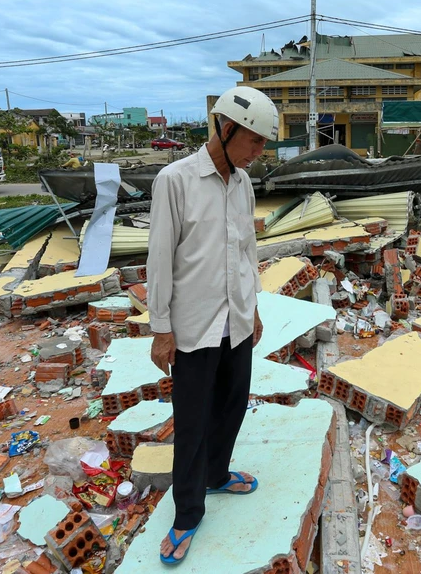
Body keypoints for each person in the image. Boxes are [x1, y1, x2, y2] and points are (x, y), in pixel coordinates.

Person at [146, 86, 277, 565]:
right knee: (193, 421)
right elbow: (159, 258)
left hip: (236, 319)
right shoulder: (174, 180)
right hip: (193, 326)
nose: (259, 153)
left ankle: (218, 474)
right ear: (226, 130)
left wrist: (254, 306)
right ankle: (187, 514)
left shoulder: (242, 183)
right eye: (256, 141)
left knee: (232, 405)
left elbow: (245, 250)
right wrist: (161, 329)